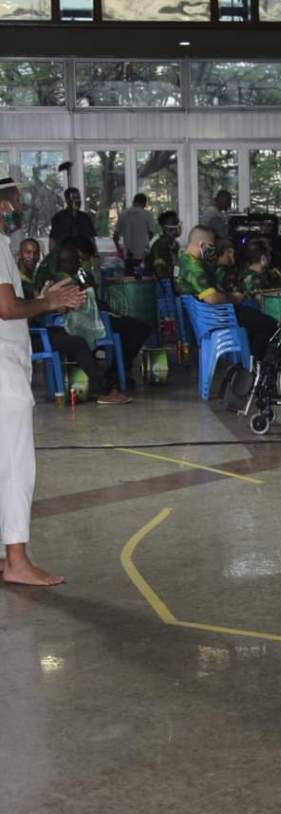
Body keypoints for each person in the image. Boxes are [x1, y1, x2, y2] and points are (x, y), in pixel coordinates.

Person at [0, 176, 85, 586]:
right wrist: (49, 302)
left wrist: (41, 299)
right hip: (3, 371)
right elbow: (6, 308)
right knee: (16, 464)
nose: (18, 209)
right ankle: (17, 561)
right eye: (14, 201)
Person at [32, 238, 132, 406]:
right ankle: (104, 389)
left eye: (35, 253)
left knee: (71, 337)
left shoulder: (45, 279)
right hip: (28, 334)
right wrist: (45, 303)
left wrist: (43, 302)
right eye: (75, 260)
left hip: (36, 328)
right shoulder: (59, 280)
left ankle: (104, 384)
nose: (33, 257)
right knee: (77, 342)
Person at [177, 226, 277, 362]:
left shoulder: (185, 260)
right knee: (268, 324)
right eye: (212, 246)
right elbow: (211, 298)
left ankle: (249, 361)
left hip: (214, 313)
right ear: (202, 244)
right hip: (217, 316)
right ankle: (252, 365)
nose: (214, 251)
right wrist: (235, 298)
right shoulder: (192, 266)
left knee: (254, 315)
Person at [113, 193, 155, 275]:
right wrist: (145, 242)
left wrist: (119, 249)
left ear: (133, 202)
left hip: (128, 255)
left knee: (129, 279)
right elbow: (151, 233)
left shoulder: (123, 214)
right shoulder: (147, 215)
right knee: (143, 280)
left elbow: (115, 236)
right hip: (142, 255)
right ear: (144, 203)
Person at [149, 210, 181, 282]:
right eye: (175, 225)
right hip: (162, 282)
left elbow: (176, 264)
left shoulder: (176, 244)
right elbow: (158, 270)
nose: (177, 229)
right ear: (166, 229)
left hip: (172, 280)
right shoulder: (159, 245)